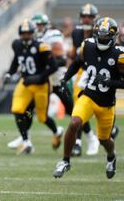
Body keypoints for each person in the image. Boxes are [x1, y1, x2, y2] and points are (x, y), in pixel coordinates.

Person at [53, 17, 124, 179]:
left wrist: (110, 82)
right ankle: (65, 160)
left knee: (105, 140)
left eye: (106, 36)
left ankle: (111, 157)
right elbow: (77, 62)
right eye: (100, 34)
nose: (102, 38)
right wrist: (65, 78)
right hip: (88, 96)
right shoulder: (88, 45)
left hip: (106, 104)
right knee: (74, 123)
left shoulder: (119, 55)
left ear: (113, 37)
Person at [7, 13, 69, 150]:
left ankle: (57, 131)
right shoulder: (17, 45)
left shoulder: (42, 46)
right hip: (25, 83)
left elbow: (53, 66)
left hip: (41, 85)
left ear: (33, 33)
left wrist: (39, 77)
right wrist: (9, 73)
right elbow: (15, 62)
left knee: (42, 117)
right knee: (17, 109)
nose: (25, 36)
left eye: (28, 33)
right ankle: (26, 142)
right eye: (23, 33)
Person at [66, 3, 101, 156]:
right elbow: (74, 55)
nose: (86, 20)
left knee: (100, 107)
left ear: (95, 18)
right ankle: (82, 140)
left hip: (99, 71)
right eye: (84, 16)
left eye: (90, 17)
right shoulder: (76, 33)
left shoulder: (100, 32)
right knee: (78, 104)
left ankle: (104, 133)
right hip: (82, 72)